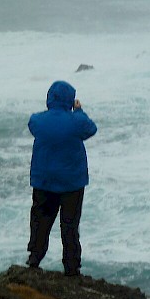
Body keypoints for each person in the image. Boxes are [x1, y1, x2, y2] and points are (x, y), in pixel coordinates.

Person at [26, 80, 98, 276]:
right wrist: (79, 111)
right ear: (70, 100)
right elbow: (91, 129)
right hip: (72, 184)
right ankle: (72, 267)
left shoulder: (37, 120)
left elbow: (33, 126)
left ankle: (34, 258)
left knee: (40, 223)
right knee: (69, 227)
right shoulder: (77, 121)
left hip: (44, 182)